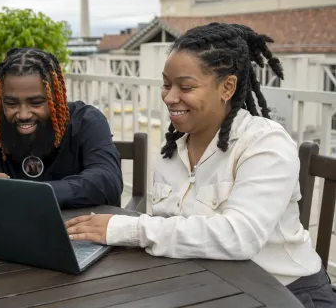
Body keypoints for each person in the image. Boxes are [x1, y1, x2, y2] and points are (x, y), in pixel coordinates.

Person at [66, 22, 335, 307]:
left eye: (185, 87)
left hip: (286, 294)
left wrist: (128, 230)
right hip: (206, 289)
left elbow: (238, 236)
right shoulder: (173, 153)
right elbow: (176, 234)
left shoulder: (264, 143)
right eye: (167, 85)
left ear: (227, 87)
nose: (169, 97)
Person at [0, 47, 123, 209]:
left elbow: (107, 179)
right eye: (11, 103)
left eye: (36, 102)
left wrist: (31, 193)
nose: (23, 114)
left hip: (77, 227)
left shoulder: (87, 120)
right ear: (0, 98)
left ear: (55, 97)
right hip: (8, 227)